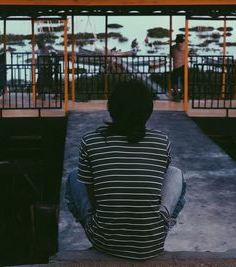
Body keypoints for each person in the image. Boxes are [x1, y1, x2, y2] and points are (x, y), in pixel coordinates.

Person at [65, 79, 186, 260]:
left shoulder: (90, 141)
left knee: (75, 175)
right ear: (147, 111)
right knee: (175, 173)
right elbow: (156, 183)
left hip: (104, 242)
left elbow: (93, 197)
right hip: (152, 242)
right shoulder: (161, 141)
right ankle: (162, 223)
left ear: (112, 108)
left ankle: (98, 229)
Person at [170, 34, 186, 101]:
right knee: (184, 82)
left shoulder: (173, 47)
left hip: (176, 66)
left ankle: (176, 96)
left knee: (174, 81)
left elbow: (171, 55)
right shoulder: (186, 47)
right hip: (184, 66)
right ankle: (183, 95)